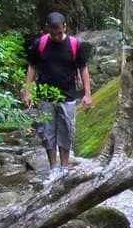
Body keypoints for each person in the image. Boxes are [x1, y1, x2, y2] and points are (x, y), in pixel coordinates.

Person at [22, 12, 92, 176]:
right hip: (45, 97)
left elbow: (83, 68)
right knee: (47, 133)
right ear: (47, 29)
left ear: (65, 27)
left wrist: (88, 94)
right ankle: (53, 168)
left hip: (67, 96)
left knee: (66, 131)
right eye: (53, 34)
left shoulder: (74, 44)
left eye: (59, 33)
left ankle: (64, 168)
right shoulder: (40, 44)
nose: (56, 36)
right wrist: (27, 91)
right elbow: (32, 67)